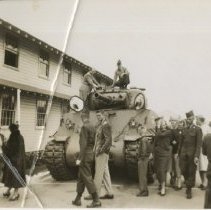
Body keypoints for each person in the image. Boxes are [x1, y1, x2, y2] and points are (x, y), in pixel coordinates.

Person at [72, 112, 101, 208]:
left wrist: (79, 158)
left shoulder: (84, 127)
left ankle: (96, 200)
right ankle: (78, 198)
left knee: (87, 177)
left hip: (84, 156)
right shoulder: (93, 126)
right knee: (81, 177)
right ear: (88, 117)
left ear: (82, 118)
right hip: (90, 154)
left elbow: (83, 145)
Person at [85, 110, 113, 200]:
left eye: (99, 115)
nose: (98, 117)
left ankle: (95, 194)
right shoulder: (100, 125)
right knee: (105, 173)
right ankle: (110, 193)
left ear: (103, 115)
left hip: (101, 153)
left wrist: (101, 150)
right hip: (100, 152)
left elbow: (108, 140)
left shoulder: (105, 125)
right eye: (97, 115)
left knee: (98, 174)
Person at [178, 111, 202, 199]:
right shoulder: (183, 129)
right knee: (183, 170)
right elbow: (180, 143)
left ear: (194, 118)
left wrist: (196, 156)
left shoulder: (198, 129)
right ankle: (188, 183)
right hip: (183, 154)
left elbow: (198, 145)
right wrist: (178, 152)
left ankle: (189, 189)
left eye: (191, 118)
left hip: (192, 155)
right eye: (188, 119)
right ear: (186, 119)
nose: (190, 120)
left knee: (191, 171)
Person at [2, 124, 26, 201]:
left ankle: (16, 194)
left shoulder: (13, 137)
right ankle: (8, 191)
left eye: (9, 129)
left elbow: (10, 151)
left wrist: (3, 145)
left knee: (14, 177)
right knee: (12, 176)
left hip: (14, 161)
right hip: (19, 160)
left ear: (11, 129)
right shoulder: (20, 136)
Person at [154, 119, 175, 196]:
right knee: (159, 171)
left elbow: (160, 135)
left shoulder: (168, 132)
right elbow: (155, 140)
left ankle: (163, 188)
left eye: (164, 124)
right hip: (158, 153)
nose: (163, 125)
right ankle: (161, 184)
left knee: (162, 170)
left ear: (166, 125)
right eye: (161, 124)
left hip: (165, 154)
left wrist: (158, 127)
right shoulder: (159, 132)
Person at [137, 126, 153, 197]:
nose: (139, 131)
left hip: (143, 159)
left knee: (142, 176)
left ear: (141, 131)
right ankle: (144, 191)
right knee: (143, 176)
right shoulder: (145, 139)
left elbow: (143, 150)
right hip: (145, 159)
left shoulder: (143, 140)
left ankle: (143, 191)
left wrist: (141, 158)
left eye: (139, 130)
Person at [196, 115, 208, 190]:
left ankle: (205, 183)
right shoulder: (199, 128)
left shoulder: (206, 128)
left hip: (204, 150)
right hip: (199, 150)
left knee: (204, 167)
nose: (196, 121)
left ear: (200, 120)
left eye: (197, 119)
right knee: (200, 167)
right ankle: (203, 182)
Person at [173, 120, 185, 190]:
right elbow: (172, 140)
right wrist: (173, 142)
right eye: (179, 123)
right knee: (177, 168)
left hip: (183, 152)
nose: (180, 125)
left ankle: (184, 182)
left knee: (183, 168)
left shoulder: (185, 131)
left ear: (183, 124)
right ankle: (179, 184)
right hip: (176, 152)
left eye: (181, 123)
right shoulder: (175, 131)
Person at [202, 124, 211, 209]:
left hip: (210, 165)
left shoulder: (206, 137)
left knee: (209, 187)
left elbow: (204, 152)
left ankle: (207, 207)